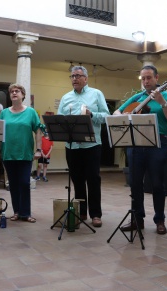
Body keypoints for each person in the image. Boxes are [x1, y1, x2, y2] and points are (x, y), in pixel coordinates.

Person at [114, 65, 167, 234]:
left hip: (158, 144)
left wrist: (162, 102)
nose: (146, 81)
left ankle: (160, 220)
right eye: (143, 78)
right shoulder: (138, 97)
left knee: (157, 184)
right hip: (135, 144)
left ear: (157, 78)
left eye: (149, 78)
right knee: (135, 184)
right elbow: (116, 113)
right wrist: (128, 115)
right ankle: (137, 219)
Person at [57, 66, 110, 228]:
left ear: (86, 78)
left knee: (93, 180)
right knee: (77, 180)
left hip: (91, 144)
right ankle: (81, 212)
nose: (75, 79)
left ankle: (95, 214)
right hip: (72, 146)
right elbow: (59, 119)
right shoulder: (65, 97)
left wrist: (92, 115)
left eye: (78, 76)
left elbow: (106, 116)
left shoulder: (96, 94)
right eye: (72, 76)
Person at [0, 83, 42, 223]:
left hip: (25, 153)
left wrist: (39, 150)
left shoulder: (31, 112)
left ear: (23, 95)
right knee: (13, 184)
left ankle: (25, 213)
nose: (14, 93)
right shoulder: (4, 113)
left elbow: (38, 130)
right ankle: (16, 212)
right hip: (8, 153)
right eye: (12, 92)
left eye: (17, 91)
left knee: (24, 182)